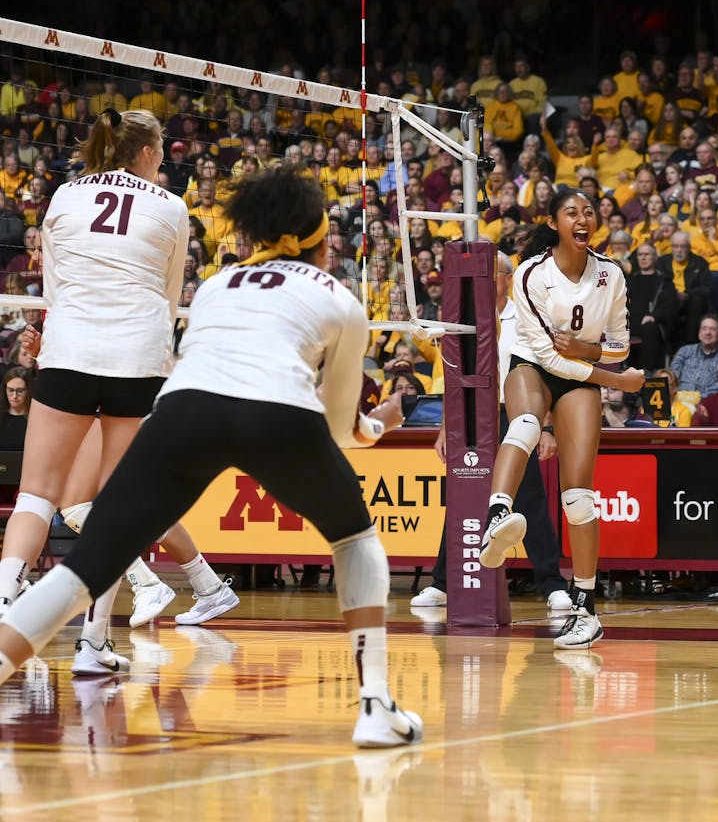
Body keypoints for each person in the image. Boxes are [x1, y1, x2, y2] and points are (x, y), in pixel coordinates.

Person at [0, 167, 422, 746]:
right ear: (322, 240)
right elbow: (338, 427)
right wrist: (378, 426)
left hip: (184, 413)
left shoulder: (220, 285)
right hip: (278, 413)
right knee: (355, 539)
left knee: (85, 568)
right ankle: (375, 705)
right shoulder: (338, 299)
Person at [0, 108, 190, 677]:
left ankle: (4, 598)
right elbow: (170, 290)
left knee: (36, 494)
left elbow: (54, 283)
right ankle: (94, 643)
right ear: (150, 152)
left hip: (72, 349)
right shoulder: (172, 206)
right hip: (136, 357)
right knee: (117, 505)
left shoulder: (64, 196)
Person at [476, 186, 645, 650]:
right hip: (532, 365)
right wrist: (619, 381)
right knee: (527, 423)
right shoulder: (531, 272)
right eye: (571, 211)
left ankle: (585, 608)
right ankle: (497, 516)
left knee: (579, 497)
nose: (582, 217)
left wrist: (591, 353)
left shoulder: (611, 274)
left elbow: (620, 345)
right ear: (553, 223)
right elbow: (552, 358)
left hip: (581, 375)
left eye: (589, 211)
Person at [411, 250, 571, 615]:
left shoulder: (527, 318)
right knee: (462, 497)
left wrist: (545, 425)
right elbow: (454, 378)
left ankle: (552, 584)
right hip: (470, 416)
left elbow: (544, 374)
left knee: (528, 496)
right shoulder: (464, 321)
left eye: (489, 274)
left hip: (515, 414)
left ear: (507, 279)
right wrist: (445, 428)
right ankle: (442, 583)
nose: (481, 282)